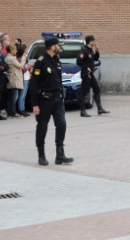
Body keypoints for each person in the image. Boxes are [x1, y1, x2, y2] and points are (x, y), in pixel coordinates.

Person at [30, 37, 73, 166]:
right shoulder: (41, 62)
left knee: (61, 124)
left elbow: (58, 79)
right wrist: (35, 104)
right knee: (42, 126)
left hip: (57, 99)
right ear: (52, 46)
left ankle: (60, 155)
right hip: (44, 100)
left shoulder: (56, 60)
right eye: (57, 45)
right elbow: (33, 84)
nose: (59, 47)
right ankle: (41, 155)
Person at [77, 35, 109, 116]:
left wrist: (97, 50)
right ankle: (82, 111)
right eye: (93, 40)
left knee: (97, 89)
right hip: (86, 74)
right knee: (84, 92)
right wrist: (86, 67)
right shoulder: (83, 50)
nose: (94, 42)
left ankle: (100, 109)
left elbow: (95, 58)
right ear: (90, 41)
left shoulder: (90, 50)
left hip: (91, 74)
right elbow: (79, 61)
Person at [3, 41, 25, 117]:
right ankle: (12, 112)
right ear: (12, 50)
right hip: (13, 80)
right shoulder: (11, 58)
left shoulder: (11, 58)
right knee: (13, 97)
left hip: (14, 79)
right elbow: (21, 66)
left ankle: (11, 112)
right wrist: (23, 59)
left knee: (12, 97)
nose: (16, 51)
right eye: (15, 49)